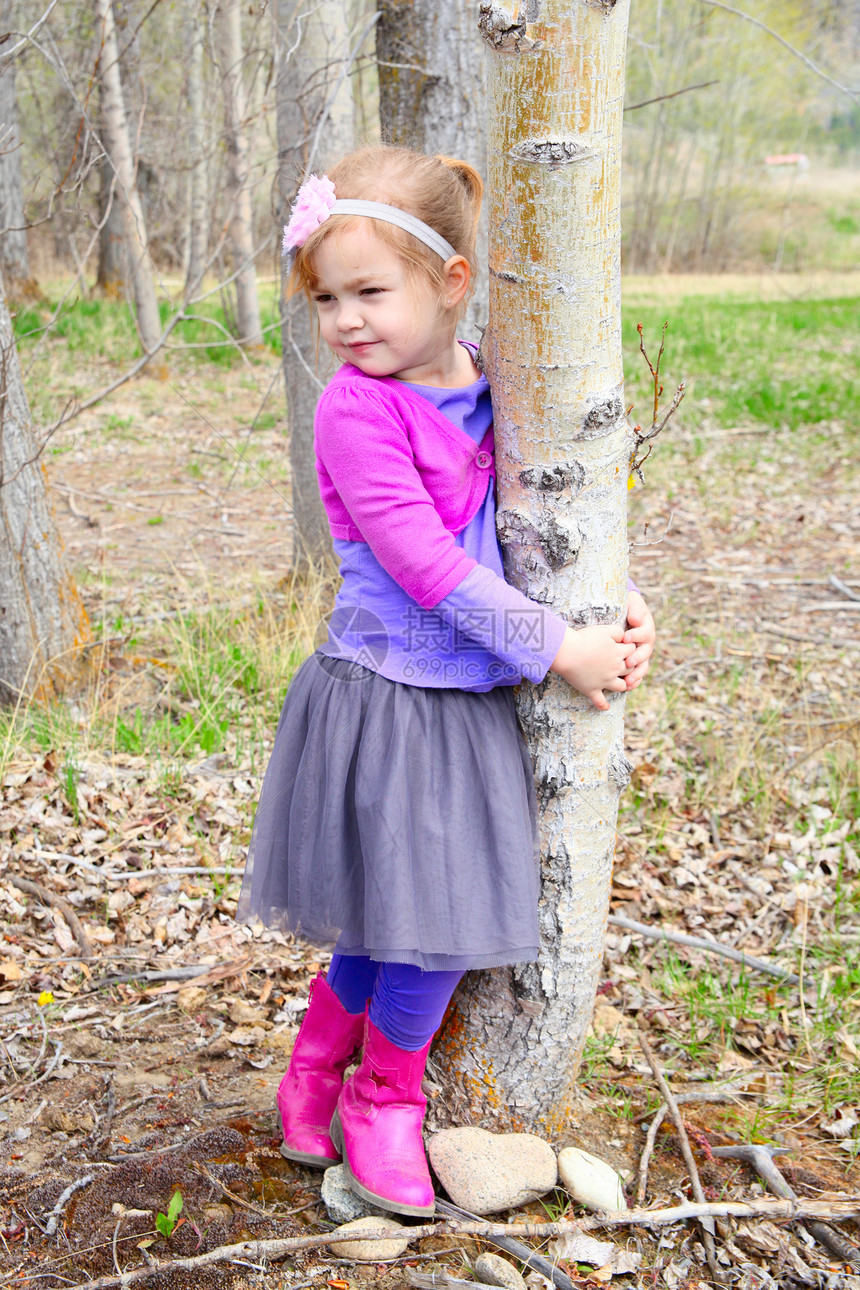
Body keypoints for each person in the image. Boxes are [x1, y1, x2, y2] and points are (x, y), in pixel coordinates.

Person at [238, 146, 655, 1219]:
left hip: (467, 698)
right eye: (326, 298)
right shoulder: (354, 411)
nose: (344, 320)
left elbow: (546, 524)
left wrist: (611, 607)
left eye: (370, 292)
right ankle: (376, 1094)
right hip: (387, 694)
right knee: (426, 918)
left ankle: (333, 1069)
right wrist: (559, 648)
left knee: (411, 916)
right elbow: (425, 564)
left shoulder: (502, 382)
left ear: (451, 282)